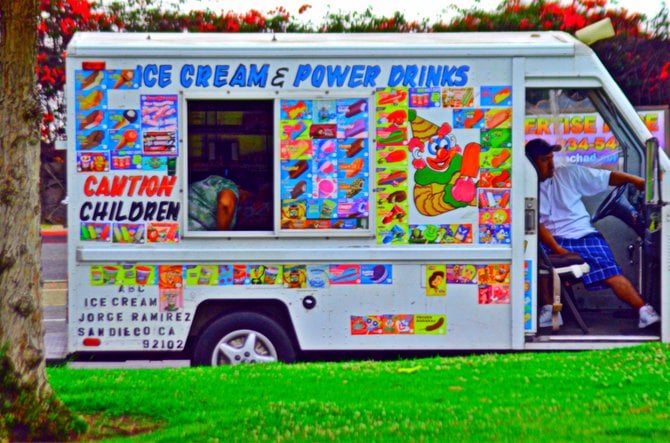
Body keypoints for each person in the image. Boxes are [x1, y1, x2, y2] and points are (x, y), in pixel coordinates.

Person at [525, 138, 660, 329]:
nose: (552, 164)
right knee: (537, 258)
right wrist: (559, 250)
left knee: (610, 270)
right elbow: (538, 227)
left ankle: (644, 311)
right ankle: (550, 310)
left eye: (551, 158)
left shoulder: (569, 173)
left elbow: (606, 177)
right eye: (545, 160)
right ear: (530, 163)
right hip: (551, 239)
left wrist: (637, 181)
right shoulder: (524, 186)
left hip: (583, 234)